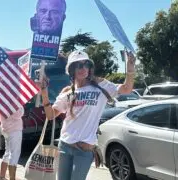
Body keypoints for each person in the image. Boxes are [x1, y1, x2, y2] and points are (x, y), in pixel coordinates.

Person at [38, 50, 136, 180]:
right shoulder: (67, 92)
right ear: (71, 69)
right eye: (78, 65)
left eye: (86, 64)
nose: (83, 68)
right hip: (65, 145)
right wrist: (44, 91)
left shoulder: (101, 86)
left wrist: (130, 69)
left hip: (85, 149)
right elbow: (51, 115)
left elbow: (126, 89)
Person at [0, 107, 24, 180]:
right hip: (14, 130)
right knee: (14, 155)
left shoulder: (1, 100)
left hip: (6, 129)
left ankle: (2, 177)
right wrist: (21, 107)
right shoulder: (11, 101)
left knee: (7, 153)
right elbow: (18, 114)